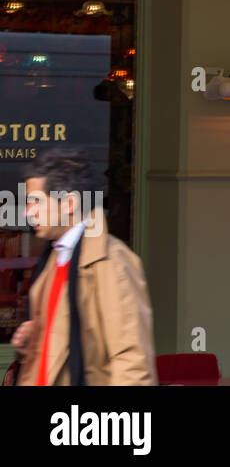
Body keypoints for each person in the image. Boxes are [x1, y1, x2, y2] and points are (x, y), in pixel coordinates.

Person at [12, 153, 156, 385]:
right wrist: (33, 342)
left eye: (36, 201)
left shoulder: (111, 261)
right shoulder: (54, 258)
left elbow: (131, 362)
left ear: (69, 203)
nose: (28, 212)